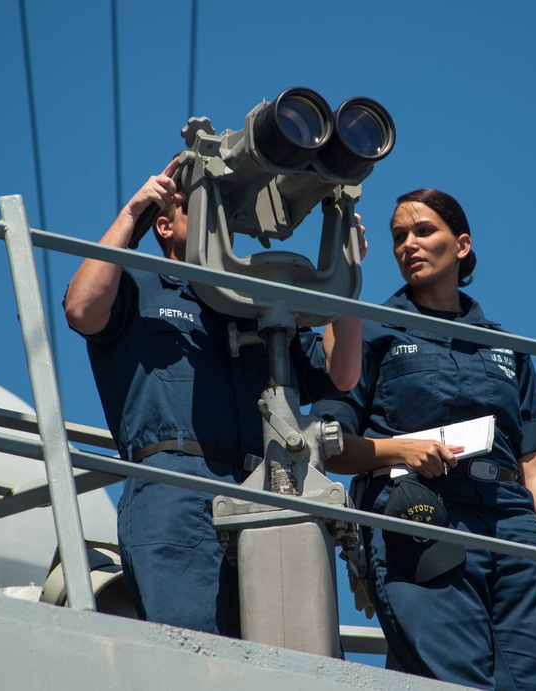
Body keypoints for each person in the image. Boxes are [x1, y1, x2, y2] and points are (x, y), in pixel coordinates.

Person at [312, 188, 536, 689]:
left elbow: (535, 464)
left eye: (424, 231)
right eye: (399, 236)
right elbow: (329, 445)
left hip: (513, 519)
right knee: (453, 676)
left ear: (462, 245)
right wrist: (400, 449)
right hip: (421, 511)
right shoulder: (373, 331)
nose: (409, 244)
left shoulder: (507, 347)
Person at [64, 159, 363, 636]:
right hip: (173, 488)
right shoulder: (138, 284)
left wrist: (345, 268)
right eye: (194, 208)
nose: (212, 217)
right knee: (194, 649)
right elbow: (81, 309)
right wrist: (132, 213)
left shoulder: (249, 301)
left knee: (281, 649)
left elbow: (342, 374)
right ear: (163, 224)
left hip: (261, 486)